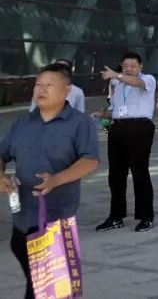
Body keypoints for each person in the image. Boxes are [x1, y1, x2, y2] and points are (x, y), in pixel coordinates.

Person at [0, 64, 100, 299]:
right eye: (38, 84)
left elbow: (90, 160)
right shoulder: (22, 122)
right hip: (22, 216)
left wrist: (56, 179)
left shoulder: (79, 123)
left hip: (55, 219)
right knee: (38, 280)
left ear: (67, 91)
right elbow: (2, 154)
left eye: (49, 85)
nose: (41, 90)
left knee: (44, 286)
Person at [96, 52, 157, 232]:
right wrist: (103, 114)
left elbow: (138, 83)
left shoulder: (148, 79)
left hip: (140, 127)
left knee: (140, 172)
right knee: (115, 175)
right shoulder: (118, 85)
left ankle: (146, 216)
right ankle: (116, 216)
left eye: (132, 66)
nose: (128, 69)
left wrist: (117, 75)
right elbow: (116, 110)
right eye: (125, 66)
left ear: (140, 67)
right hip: (118, 128)